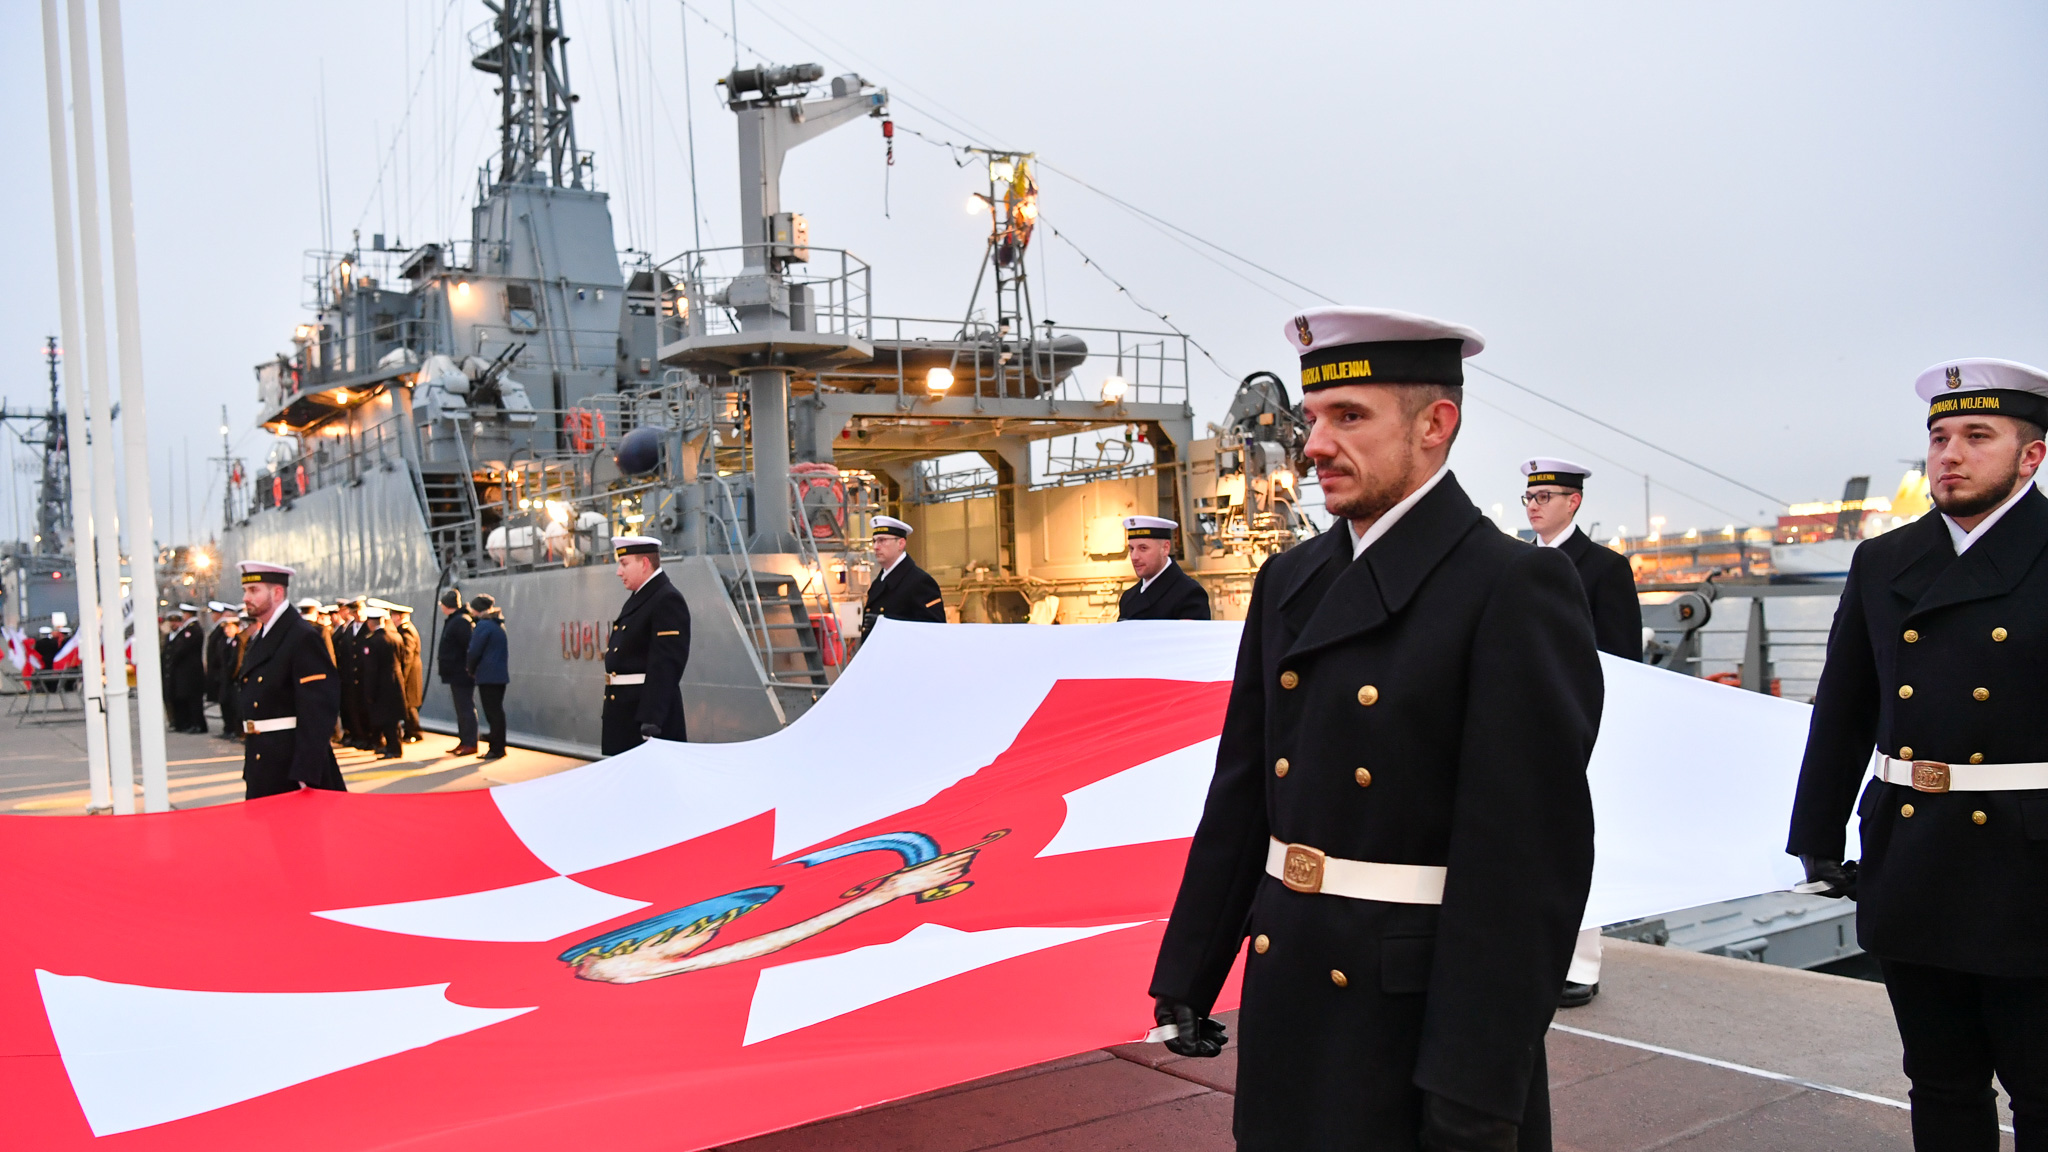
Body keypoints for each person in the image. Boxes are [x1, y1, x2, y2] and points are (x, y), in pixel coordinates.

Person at [1148, 307, 1602, 1152]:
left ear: (1435, 425)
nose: (1314, 446)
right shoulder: (1289, 579)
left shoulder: (1511, 586)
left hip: (1414, 1023)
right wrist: (1190, 970)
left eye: (1350, 417)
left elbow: (1527, 866)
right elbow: (1245, 791)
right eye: (1313, 419)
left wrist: (1476, 1091)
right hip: (1290, 988)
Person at [1789, 357, 2048, 1151]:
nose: (1950, 455)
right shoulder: (1884, 561)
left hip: (2029, 859)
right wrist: (1817, 833)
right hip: (1913, 850)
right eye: (1939, 438)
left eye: (1977, 436)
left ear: (2032, 455)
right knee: (1938, 1081)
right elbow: (1844, 707)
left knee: (2042, 1087)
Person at [1520, 457, 1643, 1010]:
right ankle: (1533, 955)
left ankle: (1580, 965)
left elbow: (1622, 659)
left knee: (1577, 842)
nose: (1534, 505)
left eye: (1545, 496)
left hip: (1578, 727)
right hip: (1522, 722)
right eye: (1529, 497)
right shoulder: (1516, 563)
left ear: (1574, 502)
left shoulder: (1604, 568)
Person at [232, 562, 345, 799]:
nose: (245, 598)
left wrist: (306, 773)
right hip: (265, 763)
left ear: (277, 593)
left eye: (253, 590)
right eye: (245, 591)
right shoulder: (264, 636)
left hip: (290, 770)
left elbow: (318, 710)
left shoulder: (301, 636)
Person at [601, 536, 691, 756]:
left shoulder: (666, 599)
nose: (619, 572)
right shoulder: (643, 597)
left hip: (644, 722)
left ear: (644, 563)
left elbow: (666, 665)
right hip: (625, 715)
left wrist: (651, 720)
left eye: (624, 564)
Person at [860, 516, 946, 640]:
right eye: (874, 541)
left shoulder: (919, 582)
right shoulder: (878, 584)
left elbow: (934, 631)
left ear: (900, 543)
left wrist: (886, 625)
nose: (876, 547)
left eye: (882, 540)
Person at [1116, 515, 1212, 621]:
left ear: (1165, 548)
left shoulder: (1189, 595)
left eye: (1143, 548)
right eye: (1131, 549)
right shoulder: (1128, 598)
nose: (1134, 557)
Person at [358, 604, 406, 760]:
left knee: (385, 718)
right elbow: (403, 660)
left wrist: (369, 691)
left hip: (380, 685)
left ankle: (394, 748)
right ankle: (393, 746)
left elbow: (371, 669)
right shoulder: (396, 637)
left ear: (370, 623)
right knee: (393, 718)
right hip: (395, 682)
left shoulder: (373, 641)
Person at [466, 593, 509, 761]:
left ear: (477, 610)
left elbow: (474, 651)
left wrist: (470, 669)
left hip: (488, 675)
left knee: (492, 713)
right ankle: (499, 745)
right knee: (497, 711)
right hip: (499, 675)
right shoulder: (498, 625)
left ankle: (496, 748)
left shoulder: (483, 626)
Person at [438, 589, 478, 756]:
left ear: (447, 605)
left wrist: (468, 668)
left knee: (466, 708)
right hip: (456, 673)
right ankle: (464, 740)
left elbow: (469, 647)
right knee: (461, 709)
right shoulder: (456, 620)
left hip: (462, 673)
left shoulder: (461, 621)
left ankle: (470, 742)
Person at [162, 604, 208, 733]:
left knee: (194, 701)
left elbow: (182, 649)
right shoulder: (188, 629)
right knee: (186, 699)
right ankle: (188, 723)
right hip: (187, 672)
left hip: (192, 672)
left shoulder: (193, 629)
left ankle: (198, 724)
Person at [389, 602, 426, 743]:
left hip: (410, 673)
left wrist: (402, 675)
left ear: (399, 617)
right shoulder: (403, 629)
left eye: (393, 615)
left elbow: (407, 655)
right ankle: (410, 731)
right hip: (409, 672)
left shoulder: (406, 631)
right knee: (407, 703)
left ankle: (414, 731)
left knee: (409, 704)